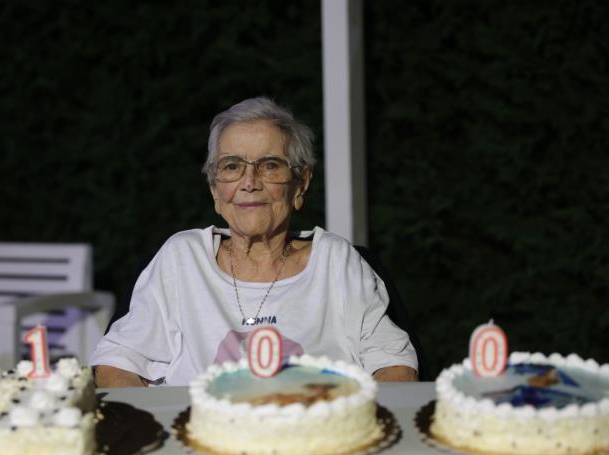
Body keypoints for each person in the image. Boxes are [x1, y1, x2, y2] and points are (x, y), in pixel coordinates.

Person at [91, 97, 418, 386]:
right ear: (215, 188)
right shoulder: (181, 259)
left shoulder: (337, 262)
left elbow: (395, 365)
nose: (249, 183)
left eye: (269, 166)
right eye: (232, 166)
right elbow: (118, 362)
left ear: (301, 183)